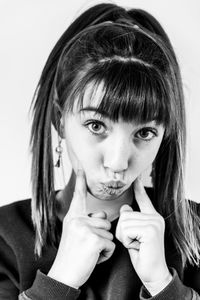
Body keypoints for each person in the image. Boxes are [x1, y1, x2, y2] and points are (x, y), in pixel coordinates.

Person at [0, 2, 199, 299]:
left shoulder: (195, 234)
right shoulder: (5, 236)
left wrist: (164, 286)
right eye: (96, 126)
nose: (118, 162)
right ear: (59, 120)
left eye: (144, 133)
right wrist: (59, 281)